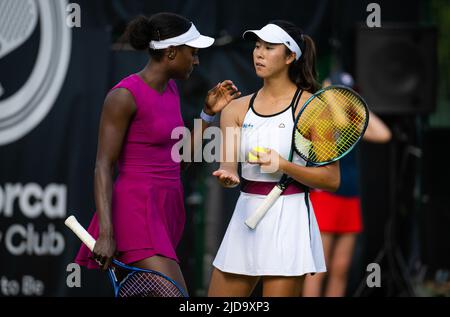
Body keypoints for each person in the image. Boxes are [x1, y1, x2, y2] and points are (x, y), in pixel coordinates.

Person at [74, 12, 240, 296]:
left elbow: (180, 160)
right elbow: (102, 165)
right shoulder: (123, 95)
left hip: (166, 214)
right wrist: (105, 232)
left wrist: (207, 114)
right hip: (136, 214)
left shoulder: (172, 89)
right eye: (193, 53)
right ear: (172, 52)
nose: (197, 61)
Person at [207, 21, 340, 297]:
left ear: (291, 56)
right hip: (245, 217)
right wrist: (228, 177)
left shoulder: (314, 108)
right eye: (257, 46)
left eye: (269, 47)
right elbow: (228, 168)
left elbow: (331, 179)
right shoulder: (234, 109)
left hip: (289, 219)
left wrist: (283, 165)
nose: (259, 53)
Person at [302, 71, 392, 297]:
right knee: (317, 270)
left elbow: (383, 135)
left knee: (341, 269)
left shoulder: (353, 120)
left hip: (350, 198)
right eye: (339, 92)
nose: (343, 97)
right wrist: (329, 100)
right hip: (325, 197)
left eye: (348, 93)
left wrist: (359, 107)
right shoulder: (319, 115)